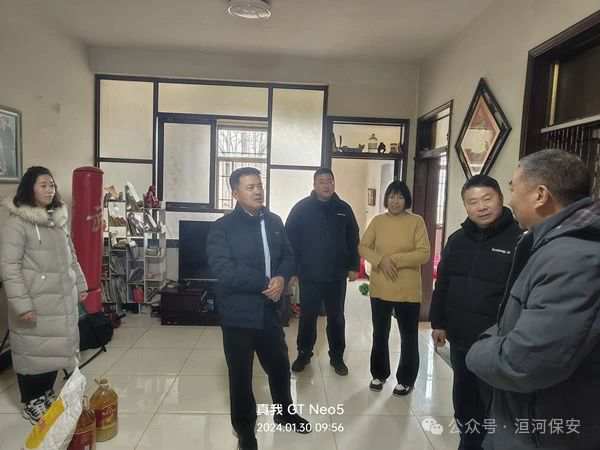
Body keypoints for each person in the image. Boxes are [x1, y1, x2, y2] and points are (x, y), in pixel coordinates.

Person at [466, 149, 600, 450]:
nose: (511, 200)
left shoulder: (573, 258)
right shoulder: (547, 242)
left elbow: (525, 362)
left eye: (513, 188)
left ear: (540, 195)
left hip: (544, 430)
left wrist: (477, 350)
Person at [206, 167, 309, 450]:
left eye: (259, 186)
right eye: (250, 187)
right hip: (238, 313)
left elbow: (288, 256)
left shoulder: (274, 221)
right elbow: (223, 269)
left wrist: (282, 278)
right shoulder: (222, 228)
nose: (257, 191)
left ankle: (285, 413)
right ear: (235, 193)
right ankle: (245, 431)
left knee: (279, 365)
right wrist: (266, 282)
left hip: (269, 310)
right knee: (241, 375)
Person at [429, 175, 522, 450]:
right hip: (461, 338)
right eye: (472, 202)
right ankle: (468, 443)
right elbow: (443, 283)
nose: (481, 207)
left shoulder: (520, 240)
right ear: (466, 206)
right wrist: (438, 322)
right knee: (465, 399)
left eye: (487, 199)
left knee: (496, 404)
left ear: (501, 199)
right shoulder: (457, 240)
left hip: (498, 341)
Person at [0, 166, 88, 424]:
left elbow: (72, 256)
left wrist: (81, 284)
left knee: (54, 349)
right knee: (33, 351)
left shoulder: (57, 220)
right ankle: (31, 401)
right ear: (30, 188)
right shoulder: (17, 223)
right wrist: (22, 304)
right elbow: (9, 267)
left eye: (52, 185)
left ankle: (46, 392)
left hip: (60, 299)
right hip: (35, 301)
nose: (50, 190)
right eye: (43, 185)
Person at [285, 167, 359, 376]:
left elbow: (353, 238)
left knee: (336, 318)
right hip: (309, 274)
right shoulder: (301, 208)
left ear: (334, 183)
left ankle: (337, 357)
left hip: (336, 275)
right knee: (308, 317)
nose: (326, 185)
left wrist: (353, 266)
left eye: (330, 181)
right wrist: (292, 270)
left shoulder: (344, 209)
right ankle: (304, 354)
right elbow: (290, 240)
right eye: (322, 181)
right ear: (314, 184)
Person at [359, 180, 430, 396]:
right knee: (380, 334)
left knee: (408, 336)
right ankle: (379, 374)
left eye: (399, 197)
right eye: (391, 196)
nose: (395, 201)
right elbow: (363, 246)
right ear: (386, 199)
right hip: (380, 289)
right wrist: (380, 260)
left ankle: (406, 379)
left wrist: (394, 260)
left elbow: (424, 253)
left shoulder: (416, 221)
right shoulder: (378, 221)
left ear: (406, 200)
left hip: (408, 291)